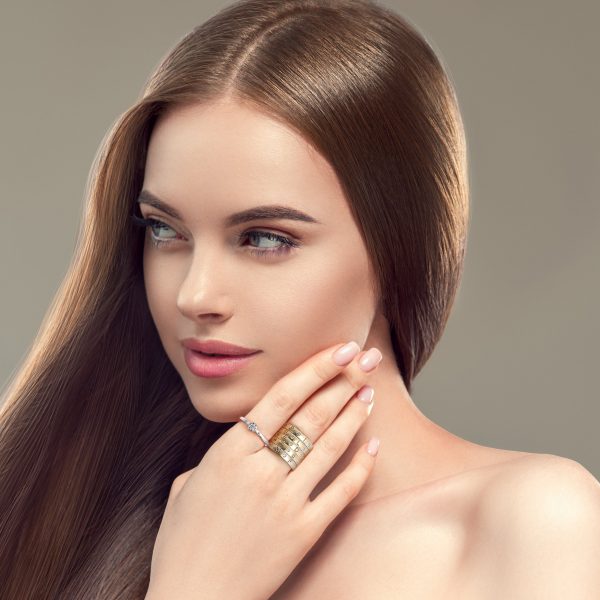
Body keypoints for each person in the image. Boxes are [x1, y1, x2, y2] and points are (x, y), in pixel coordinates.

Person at [1, 0, 598, 598]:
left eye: (265, 239)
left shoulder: (536, 521)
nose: (195, 294)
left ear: (397, 249)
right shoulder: (78, 517)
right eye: (166, 231)